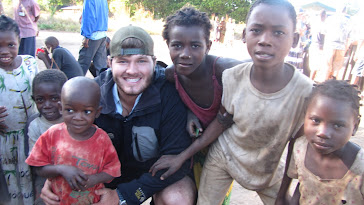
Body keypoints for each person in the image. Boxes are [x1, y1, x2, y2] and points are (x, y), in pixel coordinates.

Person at [165, 0, 312, 204]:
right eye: (256, 30)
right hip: (222, 156)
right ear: (245, 35)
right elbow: (221, 119)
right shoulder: (231, 77)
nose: (265, 40)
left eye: (278, 32)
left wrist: (288, 193)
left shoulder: (305, 93)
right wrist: (190, 113)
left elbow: (300, 148)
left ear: (295, 39)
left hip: (267, 168)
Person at [40, 25, 196, 205]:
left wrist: (124, 196)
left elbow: (177, 162)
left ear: (154, 62)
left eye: (141, 61)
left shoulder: (169, 94)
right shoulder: (91, 94)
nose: (132, 70)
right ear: (109, 63)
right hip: (102, 175)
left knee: (177, 198)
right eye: (123, 61)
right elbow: (67, 142)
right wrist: (55, 179)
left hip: (154, 174)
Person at [150, 7, 245, 204]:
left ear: (208, 46)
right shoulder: (171, 75)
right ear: (167, 45)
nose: (185, 54)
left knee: (211, 199)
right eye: (177, 45)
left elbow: (222, 123)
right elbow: (178, 98)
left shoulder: (223, 71)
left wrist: (181, 157)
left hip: (224, 150)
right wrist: (189, 113)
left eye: (195, 46)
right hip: (197, 147)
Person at [26, 77, 121, 204]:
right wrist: (61, 169)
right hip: (57, 200)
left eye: (87, 111)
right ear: (60, 108)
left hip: (90, 200)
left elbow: (112, 171)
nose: (78, 117)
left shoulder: (102, 140)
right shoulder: (52, 135)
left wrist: (94, 179)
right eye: (70, 110)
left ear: (97, 112)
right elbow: (38, 167)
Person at [276, 80, 363, 204]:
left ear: (354, 126)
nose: (323, 132)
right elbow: (303, 184)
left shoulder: (360, 167)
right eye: (316, 120)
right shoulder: (300, 148)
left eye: (338, 125)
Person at [0, 15, 38, 205]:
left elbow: (40, 92)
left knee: (31, 175)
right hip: (4, 138)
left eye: (10, 45)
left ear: (19, 42)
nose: (4, 51)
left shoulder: (30, 64)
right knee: (10, 177)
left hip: (31, 135)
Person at [24, 69, 68, 205]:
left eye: (54, 98)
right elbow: (36, 163)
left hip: (76, 174)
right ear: (33, 99)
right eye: (40, 100)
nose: (47, 105)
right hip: (46, 177)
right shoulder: (35, 126)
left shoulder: (75, 120)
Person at [78, 0, 108, 76]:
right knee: (101, 66)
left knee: (82, 65)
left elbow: (89, 18)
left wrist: (86, 37)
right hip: (102, 34)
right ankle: (104, 86)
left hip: (92, 36)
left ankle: (76, 86)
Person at [325, 6, 351, 80]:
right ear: (345, 11)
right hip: (341, 46)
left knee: (327, 66)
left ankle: (324, 84)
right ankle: (333, 85)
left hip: (330, 44)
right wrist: (345, 49)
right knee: (336, 68)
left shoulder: (330, 19)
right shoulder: (348, 21)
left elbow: (325, 32)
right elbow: (349, 38)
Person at [309, 10, 327, 81]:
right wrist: (322, 48)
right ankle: (311, 81)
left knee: (313, 66)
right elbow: (322, 38)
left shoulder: (315, 24)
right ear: (324, 16)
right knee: (316, 66)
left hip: (313, 45)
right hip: (318, 46)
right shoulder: (322, 25)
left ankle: (311, 80)